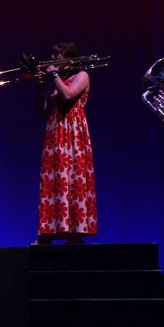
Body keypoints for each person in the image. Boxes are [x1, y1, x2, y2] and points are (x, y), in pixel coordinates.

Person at [34, 42, 97, 245]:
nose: (52, 59)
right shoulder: (58, 80)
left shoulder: (82, 76)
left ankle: (74, 234)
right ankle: (47, 233)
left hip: (73, 133)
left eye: (57, 55)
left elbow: (68, 95)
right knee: (54, 180)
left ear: (69, 58)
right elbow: (42, 110)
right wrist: (43, 85)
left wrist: (54, 77)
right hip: (55, 132)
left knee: (72, 179)